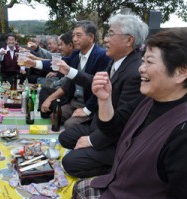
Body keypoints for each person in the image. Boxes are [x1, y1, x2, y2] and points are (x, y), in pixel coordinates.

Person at [72, 28, 187, 199]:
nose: (141, 68)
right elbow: (113, 128)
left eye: (149, 61)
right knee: (79, 187)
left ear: (181, 72)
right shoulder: (149, 99)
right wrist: (104, 99)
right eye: (143, 61)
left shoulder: (182, 131)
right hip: (118, 184)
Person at [58, 14, 148, 178]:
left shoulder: (135, 72)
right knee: (65, 137)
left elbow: (122, 122)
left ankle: (120, 167)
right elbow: (96, 82)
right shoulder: (116, 60)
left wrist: (91, 141)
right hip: (99, 124)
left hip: (116, 139)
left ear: (129, 40)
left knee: (70, 163)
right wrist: (69, 71)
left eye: (110, 34)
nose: (105, 39)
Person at [39, 20, 111, 129]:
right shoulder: (76, 54)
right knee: (55, 116)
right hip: (74, 101)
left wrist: (86, 110)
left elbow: (100, 89)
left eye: (78, 35)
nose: (74, 39)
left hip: (90, 104)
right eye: (73, 35)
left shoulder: (101, 56)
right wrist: (34, 63)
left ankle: (87, 126)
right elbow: (57, 63)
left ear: (91, 37)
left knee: (70, 125)